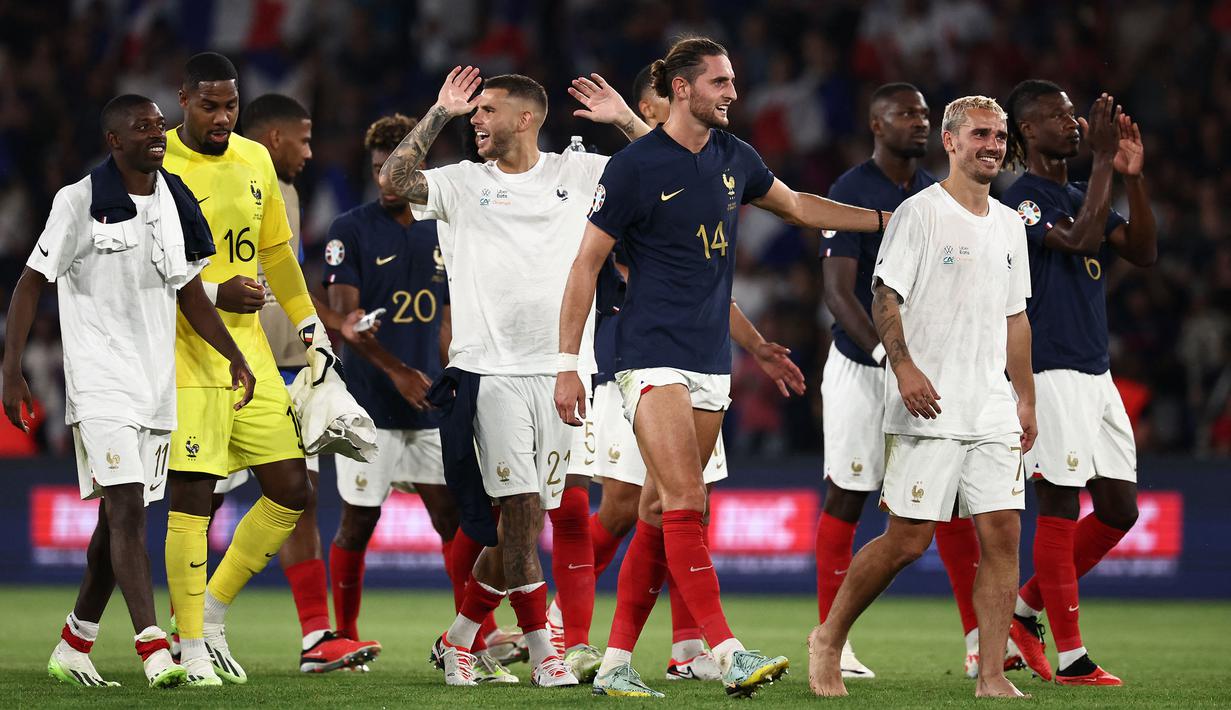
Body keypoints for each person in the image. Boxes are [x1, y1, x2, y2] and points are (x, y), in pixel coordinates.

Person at [555, 37, 880, 698]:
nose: (733, 92)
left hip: (710, 358)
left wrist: (889, 219)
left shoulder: (736, 157)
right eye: (720, 82)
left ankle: (616, 661)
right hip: (649, 355)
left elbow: (798, 206)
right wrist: (567, 364)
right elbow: (585, 266)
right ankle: (725, 649)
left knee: (656, 509)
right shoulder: (634, 167)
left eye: (732, 81)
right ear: (681, 88)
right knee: (686, 500)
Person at [377, 66, 651, 687]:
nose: (476, 120)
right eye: (472, 114)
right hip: (490, 372)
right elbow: (392, 180)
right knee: (519, 510)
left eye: (485, 110)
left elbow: (666, 168)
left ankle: (460, 639)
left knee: (525, 523)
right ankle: (544, 652)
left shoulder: (577, 173)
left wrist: (625, 122)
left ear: (526, 117)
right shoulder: (460, 183)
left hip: (563, 371)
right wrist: (439, 112)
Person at [546, 62, 802, 685]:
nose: (660, 125)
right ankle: (563, 626)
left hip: (697, 359)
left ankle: (676, 648)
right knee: (630, 508)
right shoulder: (622, 179)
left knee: (670, 508)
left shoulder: (695, 167)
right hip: (630, 363)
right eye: (651, 114)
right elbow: (615, 250)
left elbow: (708, 287)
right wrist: (567, 365)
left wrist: (757, 344)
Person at [1, 94, 254, 688]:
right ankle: (153, 649)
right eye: (142, 127)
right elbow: (30, 284)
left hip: (154, 386)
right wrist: (10, 369)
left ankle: (75, 643)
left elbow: (189, 292)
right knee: (125, 514)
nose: (157, 134)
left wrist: (234, 355)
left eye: (158, 125)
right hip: (101, 382)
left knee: (119, 526)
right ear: (114, 140)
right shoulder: (78, 201)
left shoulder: (171, 198)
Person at [806, 95, 1035, 699]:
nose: (993, 145)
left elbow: (1016, 318)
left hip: (990, 403)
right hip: (927, 399)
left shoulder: (1012, 225)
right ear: (953, 144)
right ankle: (828, 637)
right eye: (981, 135)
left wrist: (1026, 398)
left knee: (1004, 536)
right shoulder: (919, 213)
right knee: (909, 540)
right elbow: (884, 297)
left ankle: (989, 674)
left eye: (1000, 136)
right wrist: (902, 368)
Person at [161, 51, 347, 687]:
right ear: (183, 99)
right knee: (191, 499)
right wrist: (215, 293)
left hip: (254, 356)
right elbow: (141, 268)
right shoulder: (155, 163)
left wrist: (311, 328)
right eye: (209, 105)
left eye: (230, 106)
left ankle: (209, 617)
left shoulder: (255, 159)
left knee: (292, 489)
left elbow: (277, 256)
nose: (221, 117)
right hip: (184, 351)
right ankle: (187, 648)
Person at [319, 113, 517, 680]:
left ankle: (467, 636)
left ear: (416, 169)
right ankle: (346, 639)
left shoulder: (441, 228)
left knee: (454, 520)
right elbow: (350, 322)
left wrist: (452, 371)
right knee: (358, 523)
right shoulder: (349, 229)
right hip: (369, 407)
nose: (385, 178)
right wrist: (399, 369)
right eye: (377, 167)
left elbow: (452, 317)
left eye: (395, 167)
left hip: (431, 404)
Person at [209, 92, 382, 673]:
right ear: (276, 138)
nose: (310, 152)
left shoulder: (282, 189)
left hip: (284, 370)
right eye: (304, 140)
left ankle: (314, 637)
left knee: (298, 496)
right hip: (229, 370)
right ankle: (173, 628)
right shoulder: (235, 183)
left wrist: (326, 327)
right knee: (195, 500)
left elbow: (289, 279)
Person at [1001, 81, 1155, 686]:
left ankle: (1023, 610)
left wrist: (1131, 177)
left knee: (1119, 508)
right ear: (1026, 132)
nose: (1072, 123)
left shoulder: (1078, 189)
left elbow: (1141, 250)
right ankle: (1071, 659)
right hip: (1051, 365)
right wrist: (1099, 165)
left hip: (1096, 368)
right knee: (1060, 501)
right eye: (1056, 116)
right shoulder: (1024, 199)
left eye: (1073, 114)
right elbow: (1078, 238)